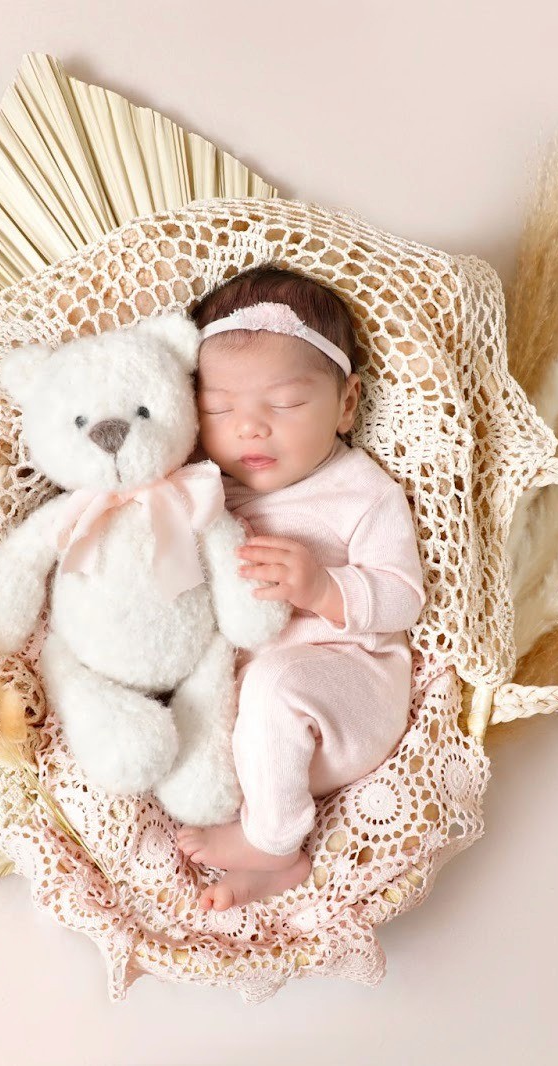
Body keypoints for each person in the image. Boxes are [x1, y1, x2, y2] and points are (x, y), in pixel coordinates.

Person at [177, 265, 426, 910]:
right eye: (219, 408)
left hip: (346, 698)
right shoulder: (205, 489)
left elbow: (403, 595)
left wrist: (323, 589)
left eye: (285, 404)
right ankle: (270, 853)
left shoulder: (361, 491)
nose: (250, 428)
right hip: (252, 737)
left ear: (346, 404)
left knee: (276, 683)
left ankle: (276, 843)